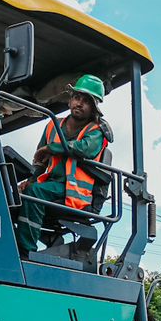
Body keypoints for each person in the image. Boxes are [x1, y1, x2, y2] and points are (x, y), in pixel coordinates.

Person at [16, 74, 109, 254]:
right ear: (70, 100)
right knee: (16, 195)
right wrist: (31, 180)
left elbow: (85, 149)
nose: (79, 103)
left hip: (74, 190)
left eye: (86, 101)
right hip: (51, 185)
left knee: (34, 194)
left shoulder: (96, 131)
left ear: (94, 108)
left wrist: (52, 149)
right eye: (76, 97)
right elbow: (39, 161)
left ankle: (25, 252)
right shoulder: (53, 125)